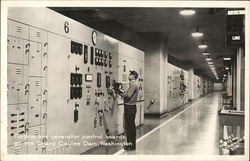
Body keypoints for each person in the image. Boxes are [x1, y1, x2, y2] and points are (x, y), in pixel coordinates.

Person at [118, 70, 139, 151]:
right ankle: (131, 145)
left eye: (130, 74)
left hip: (130, 108)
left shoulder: (133, 84)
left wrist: (119, 92)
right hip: (130, 107)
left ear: (133, 76)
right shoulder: (132, 84)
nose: (129, 75)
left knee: (130, 127)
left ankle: (131, 146)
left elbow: (128, 95)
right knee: (130, 126)